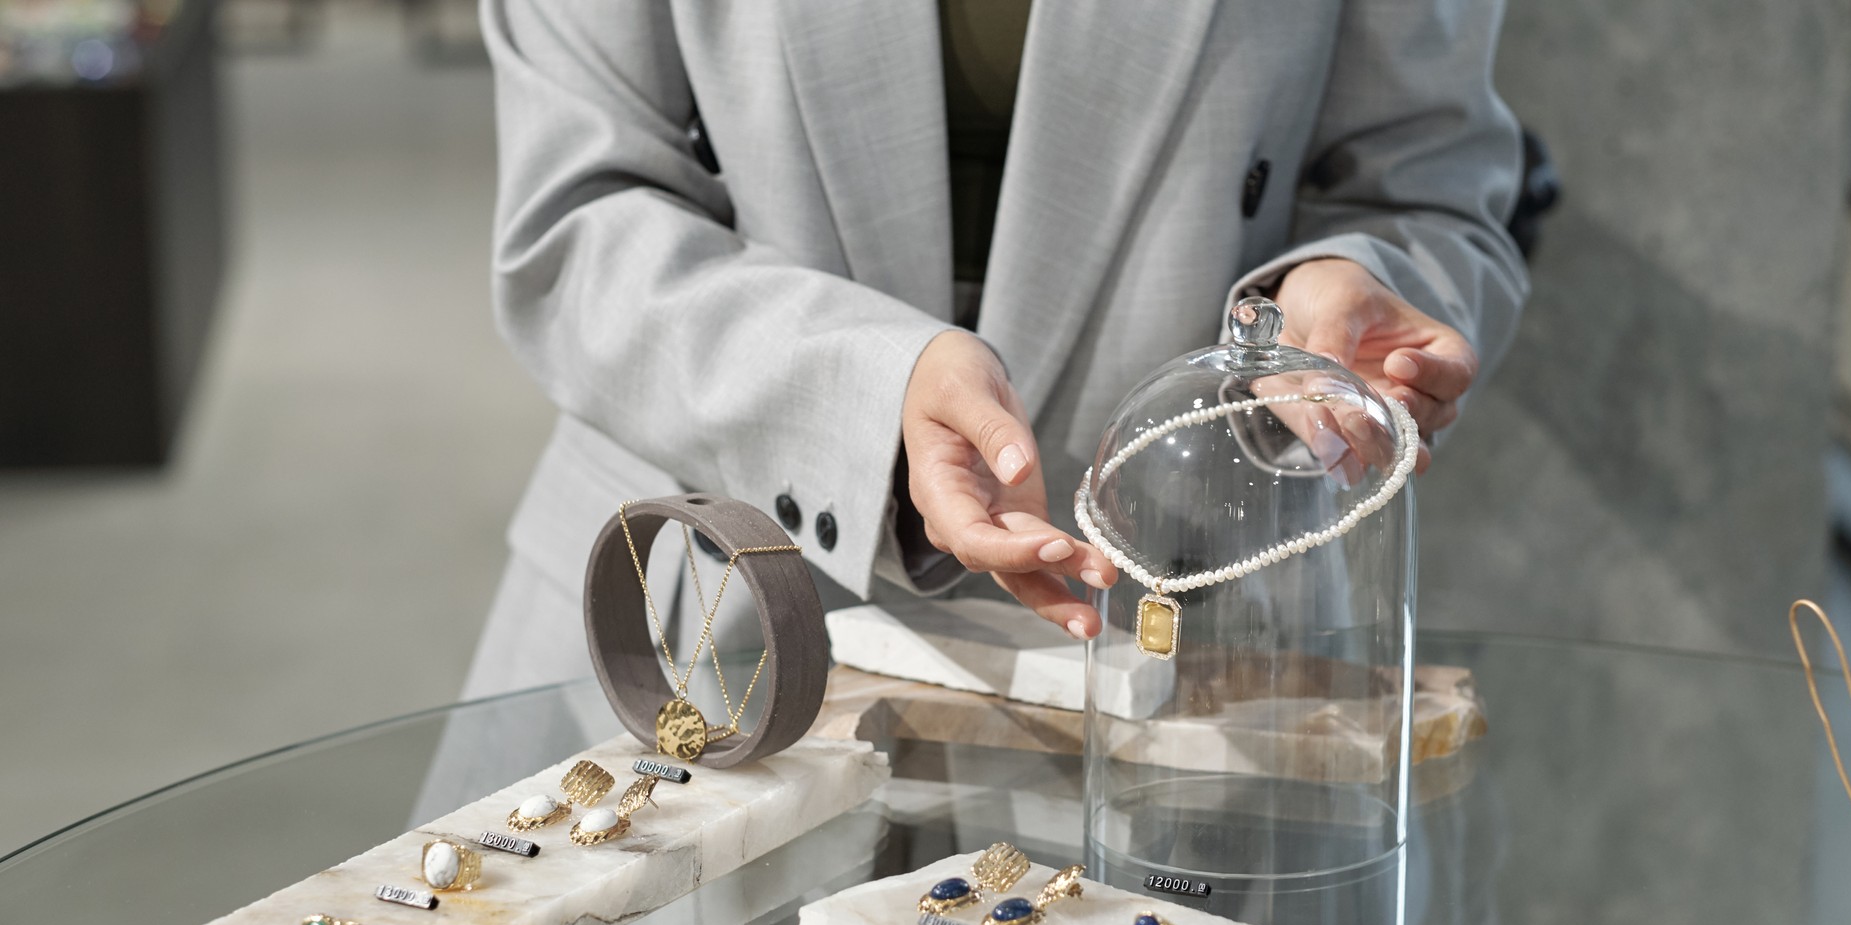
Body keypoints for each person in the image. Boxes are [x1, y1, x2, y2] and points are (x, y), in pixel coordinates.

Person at [464, 0, 1528, 698]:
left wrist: (1344, 293)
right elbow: (576, 222)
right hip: (707, 597)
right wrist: (874, 398)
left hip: (1185, 634)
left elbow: (1428, 182)